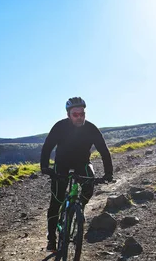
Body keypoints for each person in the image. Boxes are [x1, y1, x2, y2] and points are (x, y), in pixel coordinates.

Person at [40, 97, 113, 251]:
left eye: (82, 114)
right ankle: (51, 238)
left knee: (89, 184)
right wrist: (45, 167)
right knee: (56, 200)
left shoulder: (91, 128)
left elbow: (104, 151)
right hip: (62, 164)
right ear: (68, 115)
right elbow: (47, 147)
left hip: (82, 163)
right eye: (75, 114)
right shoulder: (60, 127)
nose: (80, 117)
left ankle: (77, 209)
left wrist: (108, 173)